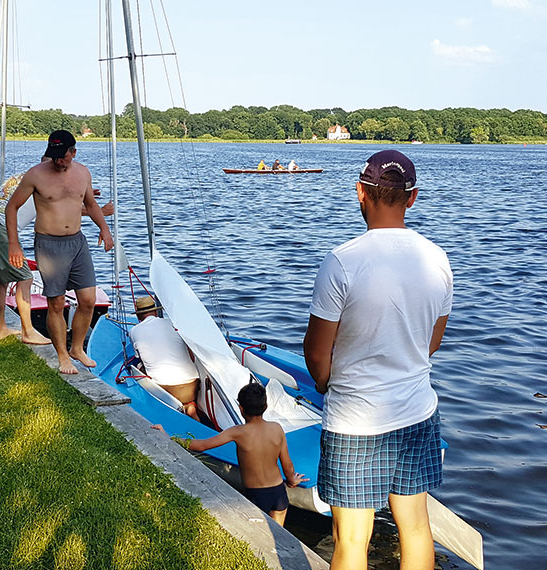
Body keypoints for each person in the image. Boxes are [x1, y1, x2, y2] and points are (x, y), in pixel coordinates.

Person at [303, 149, 452, 570]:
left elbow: (316, 355)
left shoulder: (341, 261)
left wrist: (326, 382)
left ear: (360, 193)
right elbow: (431, 344)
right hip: (417, 412)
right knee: (416, 528)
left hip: (354, 420)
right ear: (413, 197)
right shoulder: (436, 259)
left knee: (351, 539)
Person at [6, 130, 114, 375]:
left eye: (63, 156)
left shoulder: (83, 173)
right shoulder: (36, 175)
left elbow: (91, 204)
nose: (58, 161)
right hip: (49, 244)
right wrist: (14, 243)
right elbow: (12, 207)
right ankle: (63, 356)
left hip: (77, 242)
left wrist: (105, 230)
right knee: (56, 303)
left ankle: (77, 348)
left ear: (73, 152)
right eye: (54, 156)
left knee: (88, 299)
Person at [152, 383, 307, 526]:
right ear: (265, 406)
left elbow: (202, 446)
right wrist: (292, 480)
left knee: (256, 534)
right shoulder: (277, 428)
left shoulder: (238, 432)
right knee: (279, 536)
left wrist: (169, 437)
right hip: (278, 491)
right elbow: (287, 463)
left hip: (257, 494)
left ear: (240, 408)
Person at [0, 174, 51, 345]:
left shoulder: (21, 177)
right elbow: (58, 209)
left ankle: (2, 329)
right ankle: (28, 332)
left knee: (1, 280)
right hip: (0, 225)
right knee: (25, 278)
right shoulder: (44, 181)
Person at [129, 296, 201, 420]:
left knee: (138, 366)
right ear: (156, 312)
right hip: (191, 385)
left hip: (165, 388)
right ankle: (190, 405)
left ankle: (177, 409)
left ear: (138, 316)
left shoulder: (134, 331)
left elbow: (139, 358)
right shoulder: (173, 324)